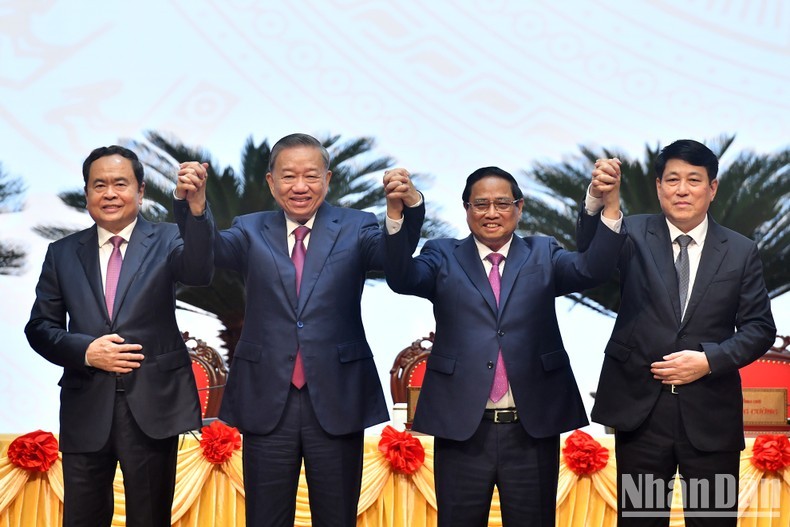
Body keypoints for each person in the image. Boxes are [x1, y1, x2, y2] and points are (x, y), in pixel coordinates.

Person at [173, 133, 425, 527]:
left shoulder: (357, 225)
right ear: (271, 183)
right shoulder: (249, 229)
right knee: (266, 517)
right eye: (289, 176)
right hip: (267, 397)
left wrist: (401, 211)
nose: (300, 186)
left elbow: (395, 266)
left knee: (337, 516)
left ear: (327, 179)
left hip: (337, 395)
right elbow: (206, 256)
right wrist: (197, 206)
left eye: (311, 175)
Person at [383, 165, 625, 527]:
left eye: (502, 203)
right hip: (462, 426)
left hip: (530, 426)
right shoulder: (442, 255)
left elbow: (592, 270)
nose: (491, 213)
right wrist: (402, 210)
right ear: (466, 209)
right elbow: (402, 277)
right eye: (480, 204)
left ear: (520, 207)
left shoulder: (542, 252)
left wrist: (604, 205)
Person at [585, 139, 776, 526]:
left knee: (712, 518)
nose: (682, 190)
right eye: (672, 179)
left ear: (713, 188)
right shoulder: (631, 232)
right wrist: (597, 202)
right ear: (658, 186)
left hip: (710, 418)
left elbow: (759, 329)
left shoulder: (740, 251)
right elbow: (591, 257)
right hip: (642, 415)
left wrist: (709, 361)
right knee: (642, 518)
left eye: (694, 180)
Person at [25, 145, 215, 527]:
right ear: (87, 194)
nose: (109, 193)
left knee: (149, 518)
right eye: (99, 185)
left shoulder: (168, 239)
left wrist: (194, 208)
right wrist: (86, 351)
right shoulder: (61, 253)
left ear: (140, 191)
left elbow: (198, 270)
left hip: (152, 408)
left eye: (120, 183)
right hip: (85, 407)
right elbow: (40, 328)